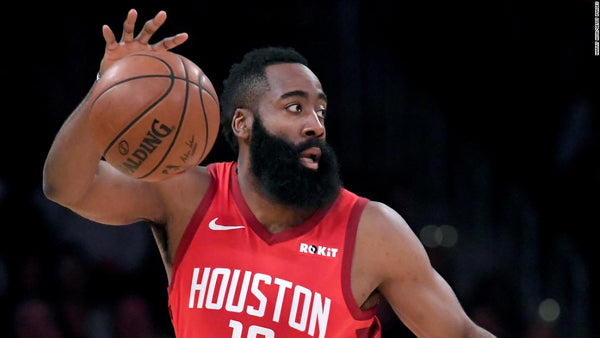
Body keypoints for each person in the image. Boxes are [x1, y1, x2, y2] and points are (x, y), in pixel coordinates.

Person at [43, 8, 496, 338]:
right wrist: (107, 92)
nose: (315, 124)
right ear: (242, 123)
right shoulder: (186, 193)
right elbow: (65, 185)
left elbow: (460, 333)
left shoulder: (372, 230)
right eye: (294, 107)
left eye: (320, 110)